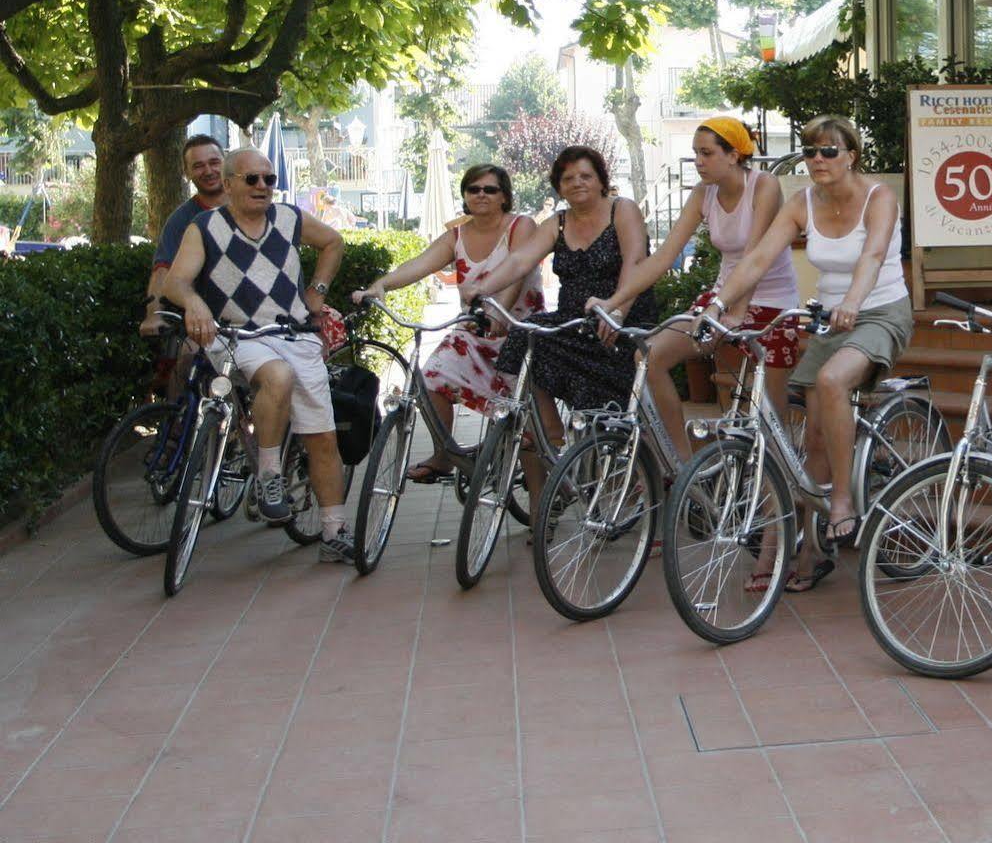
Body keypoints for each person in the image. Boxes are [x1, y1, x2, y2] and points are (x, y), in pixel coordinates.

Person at [702, 114, 912, 593]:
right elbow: (756, 258)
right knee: (813, 436)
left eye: (829, 151)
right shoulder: (802, 203)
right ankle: (814, 548)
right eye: (810, 151)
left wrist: (854, 303)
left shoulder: (879, 198)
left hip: (880, 312)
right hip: (830, 319)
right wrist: (716, 305)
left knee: (832, 381)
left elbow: (874, 256)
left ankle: (842, 500)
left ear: (851, 155)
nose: (817, 160)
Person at [157, 148, 355, 561]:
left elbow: (333, 242)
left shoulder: (289, 218)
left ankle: (335, 532)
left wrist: (316, 293)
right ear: (228, 184)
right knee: (276, 376)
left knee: (322, 436)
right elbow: (175, 282)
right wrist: (194, 304)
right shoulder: (205, 226)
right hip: (237, 336)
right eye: (251, 179)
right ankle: (268, 475)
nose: (262, 187)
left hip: (293, 332)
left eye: (269, 179)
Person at [594, 117, 800, 464]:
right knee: (649, 356)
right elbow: (662, 257)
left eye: (706, 153)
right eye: (695, 154)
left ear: (734, 155)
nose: (698, 162)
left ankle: (775, 501)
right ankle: (683, 463)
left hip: (770, 302)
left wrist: (733, 311)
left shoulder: (763, 185)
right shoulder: (703, 194)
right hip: (723, 300)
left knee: (769, 420)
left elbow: (754, 256)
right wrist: (613, 302)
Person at [462, 145, 655, 508]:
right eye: (568, 178)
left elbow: (636, 261)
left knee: (609, 403)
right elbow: (521, 259)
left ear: (601, 181)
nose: (577, 183)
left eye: (585, 176)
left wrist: (618, 310)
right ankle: (551, 433)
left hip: (623, 319)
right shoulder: (559, 222)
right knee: (526, 333)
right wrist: (482, 286)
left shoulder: (622, 209)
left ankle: (625, 474)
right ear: (558, 187)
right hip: (574, 319)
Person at [350, 164, 543, 482]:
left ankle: (548, 499)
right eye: (473, 189)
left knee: (525, 424)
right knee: (429, 380)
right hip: (473, 331)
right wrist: (381, 285)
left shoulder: (520, 226)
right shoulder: (457, 235)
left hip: (521, 335)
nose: (480, 195)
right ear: (465, 196)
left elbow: (517, 271)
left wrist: (498, 313)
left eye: (489, 189)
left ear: (504, 196)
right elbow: (420, 263)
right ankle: (445, 455)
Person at [142, 134, 228, 336]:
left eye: (214, 162)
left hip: (259, 319)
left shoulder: (251, 209)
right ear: (186, 172)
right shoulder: (181, 219)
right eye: (198, 166)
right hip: (204, 323)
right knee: (187, 358)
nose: (208, 171)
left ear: (227, 164)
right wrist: (154, 316)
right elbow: (163, 270)